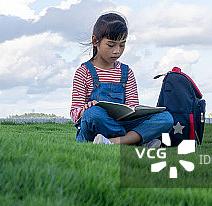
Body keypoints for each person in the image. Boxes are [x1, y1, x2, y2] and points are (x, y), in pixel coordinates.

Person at [70, 12, 174, 145]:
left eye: (122, 44)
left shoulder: (127, 72)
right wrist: (85, 110)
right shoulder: (83, 72)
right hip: (98, 125)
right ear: (95, 41)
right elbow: (74, 112)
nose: (117, 51)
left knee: (166, 118)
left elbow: (132, 107)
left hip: (123, 123)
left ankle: (112, 142)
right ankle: (135, 141)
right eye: (111, 45)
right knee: (94, 114)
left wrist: (137, 112)